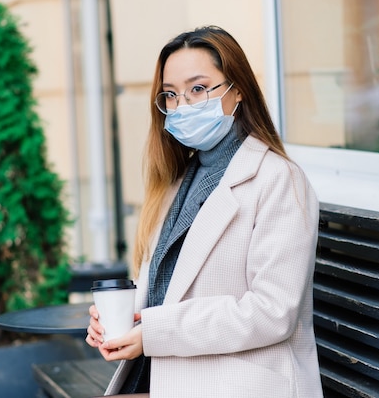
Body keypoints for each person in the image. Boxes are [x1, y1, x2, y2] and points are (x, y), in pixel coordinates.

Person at [86, 25, 323, 398]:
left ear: (238, 89)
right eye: (171, 94)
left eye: (198, 89)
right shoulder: (179, 179)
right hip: (174, 374)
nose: (183, 106)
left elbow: (272, 311)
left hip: (241, 382)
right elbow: (171, 287)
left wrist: (153, 332)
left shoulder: (280, 180)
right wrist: (120, 316)